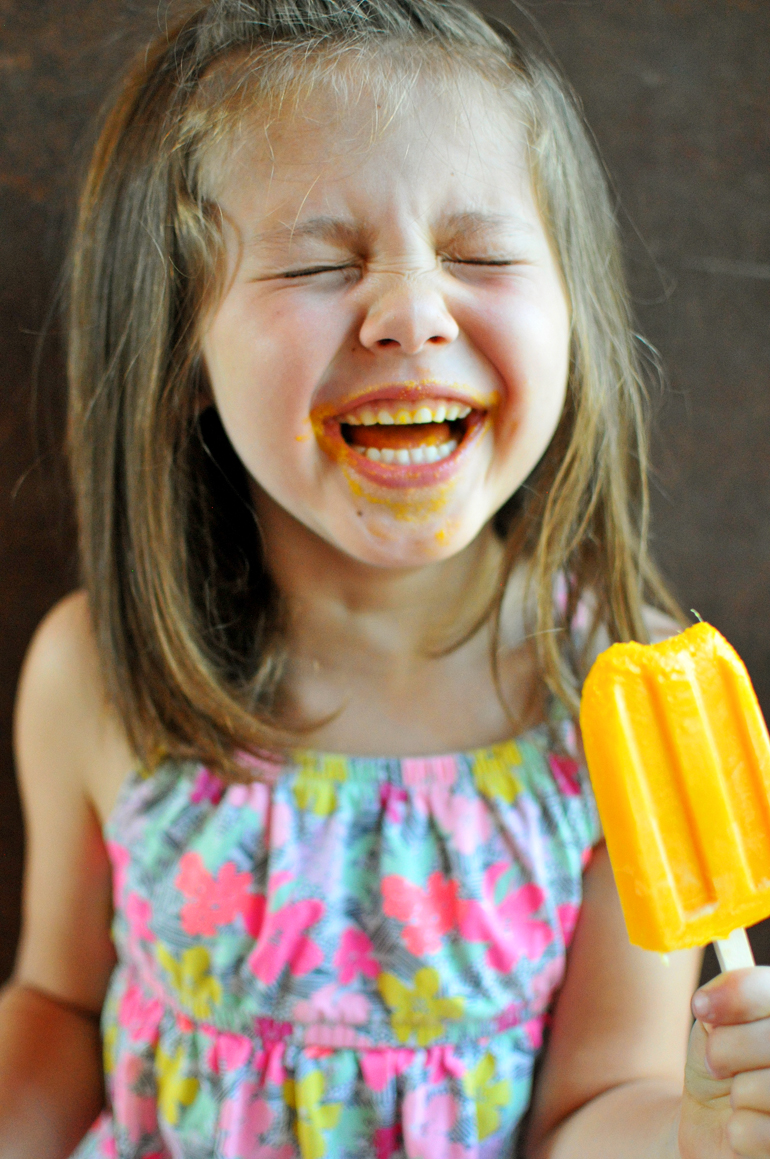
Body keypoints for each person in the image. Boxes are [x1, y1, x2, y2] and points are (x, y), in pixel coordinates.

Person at [1, 0, 769, 1156]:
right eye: (315, 261)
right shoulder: (96, 672)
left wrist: (700, 1136)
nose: (411, 313)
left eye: (480, 254)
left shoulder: (612, 699)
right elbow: (58, 1006)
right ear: (180, 354)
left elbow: (591, 1108)